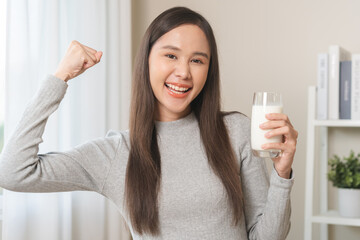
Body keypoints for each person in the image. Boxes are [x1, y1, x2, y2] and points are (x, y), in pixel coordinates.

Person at [0, 6, 298, 240]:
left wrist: (282, 175)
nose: (183, 72)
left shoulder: (235, 131)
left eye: (197, 60)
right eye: (171, 55)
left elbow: (268, 237)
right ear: (147, 60)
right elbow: (13, 172)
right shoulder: (116, 154)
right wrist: (59, 77)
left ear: (209, 71)